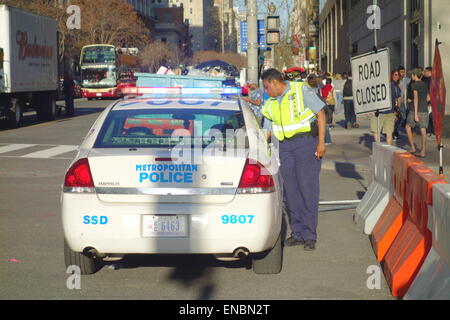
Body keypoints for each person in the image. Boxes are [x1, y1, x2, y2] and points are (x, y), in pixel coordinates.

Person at [260, 68, 327, 251]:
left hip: (306, 144)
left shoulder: (300, 89)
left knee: (307, 188)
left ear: (274, 82)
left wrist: (321, 143)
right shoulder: (270, 103)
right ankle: (297, 233)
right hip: (284, 148)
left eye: (267, 87)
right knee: (290, 191)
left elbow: (321, 114)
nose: (266, 91)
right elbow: (266, 131)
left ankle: (309, 235)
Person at [370, 70, 402, 145]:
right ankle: (387, 150)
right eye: (395, 75)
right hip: (381, 112)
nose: (396, 76)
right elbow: (399, 98)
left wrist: (397, 110)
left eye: (397, 75)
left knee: (379, 131)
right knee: (388, 133)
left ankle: (381, 149)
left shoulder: (380, 85)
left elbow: (399, 99)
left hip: (386, 113)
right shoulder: (394, 86)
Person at [405, 68, 430, 158]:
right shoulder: (424, 84)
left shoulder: (414, 85)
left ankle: (412, 147)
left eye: (412, 75)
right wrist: (424, 103)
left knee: (408, 127)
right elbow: (428, 97)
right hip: (424, 110)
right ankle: (423, 151)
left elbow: (415, 98)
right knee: (423, 130)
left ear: (415, 75)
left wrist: (415, 114)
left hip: (415, 110)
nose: (411, 76)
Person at [320, 77, 335, 144]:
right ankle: (328, 139)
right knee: (329, 117)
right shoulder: (332, 88)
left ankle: (326, 137)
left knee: (325, 119)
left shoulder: (322, 88)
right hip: (330, 104)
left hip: (323, 104)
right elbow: (334, 97)